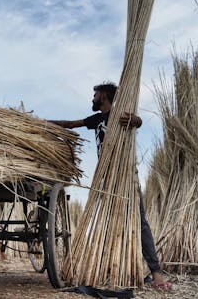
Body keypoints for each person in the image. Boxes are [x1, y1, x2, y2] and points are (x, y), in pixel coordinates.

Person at [49, 82, 172, 290]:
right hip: (105, 178)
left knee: (139, 223)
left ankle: (156, 274)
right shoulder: (97, 119)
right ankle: (110, 270)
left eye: (95, 94)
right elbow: (70, 124)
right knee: (107, 222)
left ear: (103, 95)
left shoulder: (120, 115)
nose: (92, 98)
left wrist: (137, 120)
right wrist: (44, 123)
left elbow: (137, 121)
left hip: (125, 176)